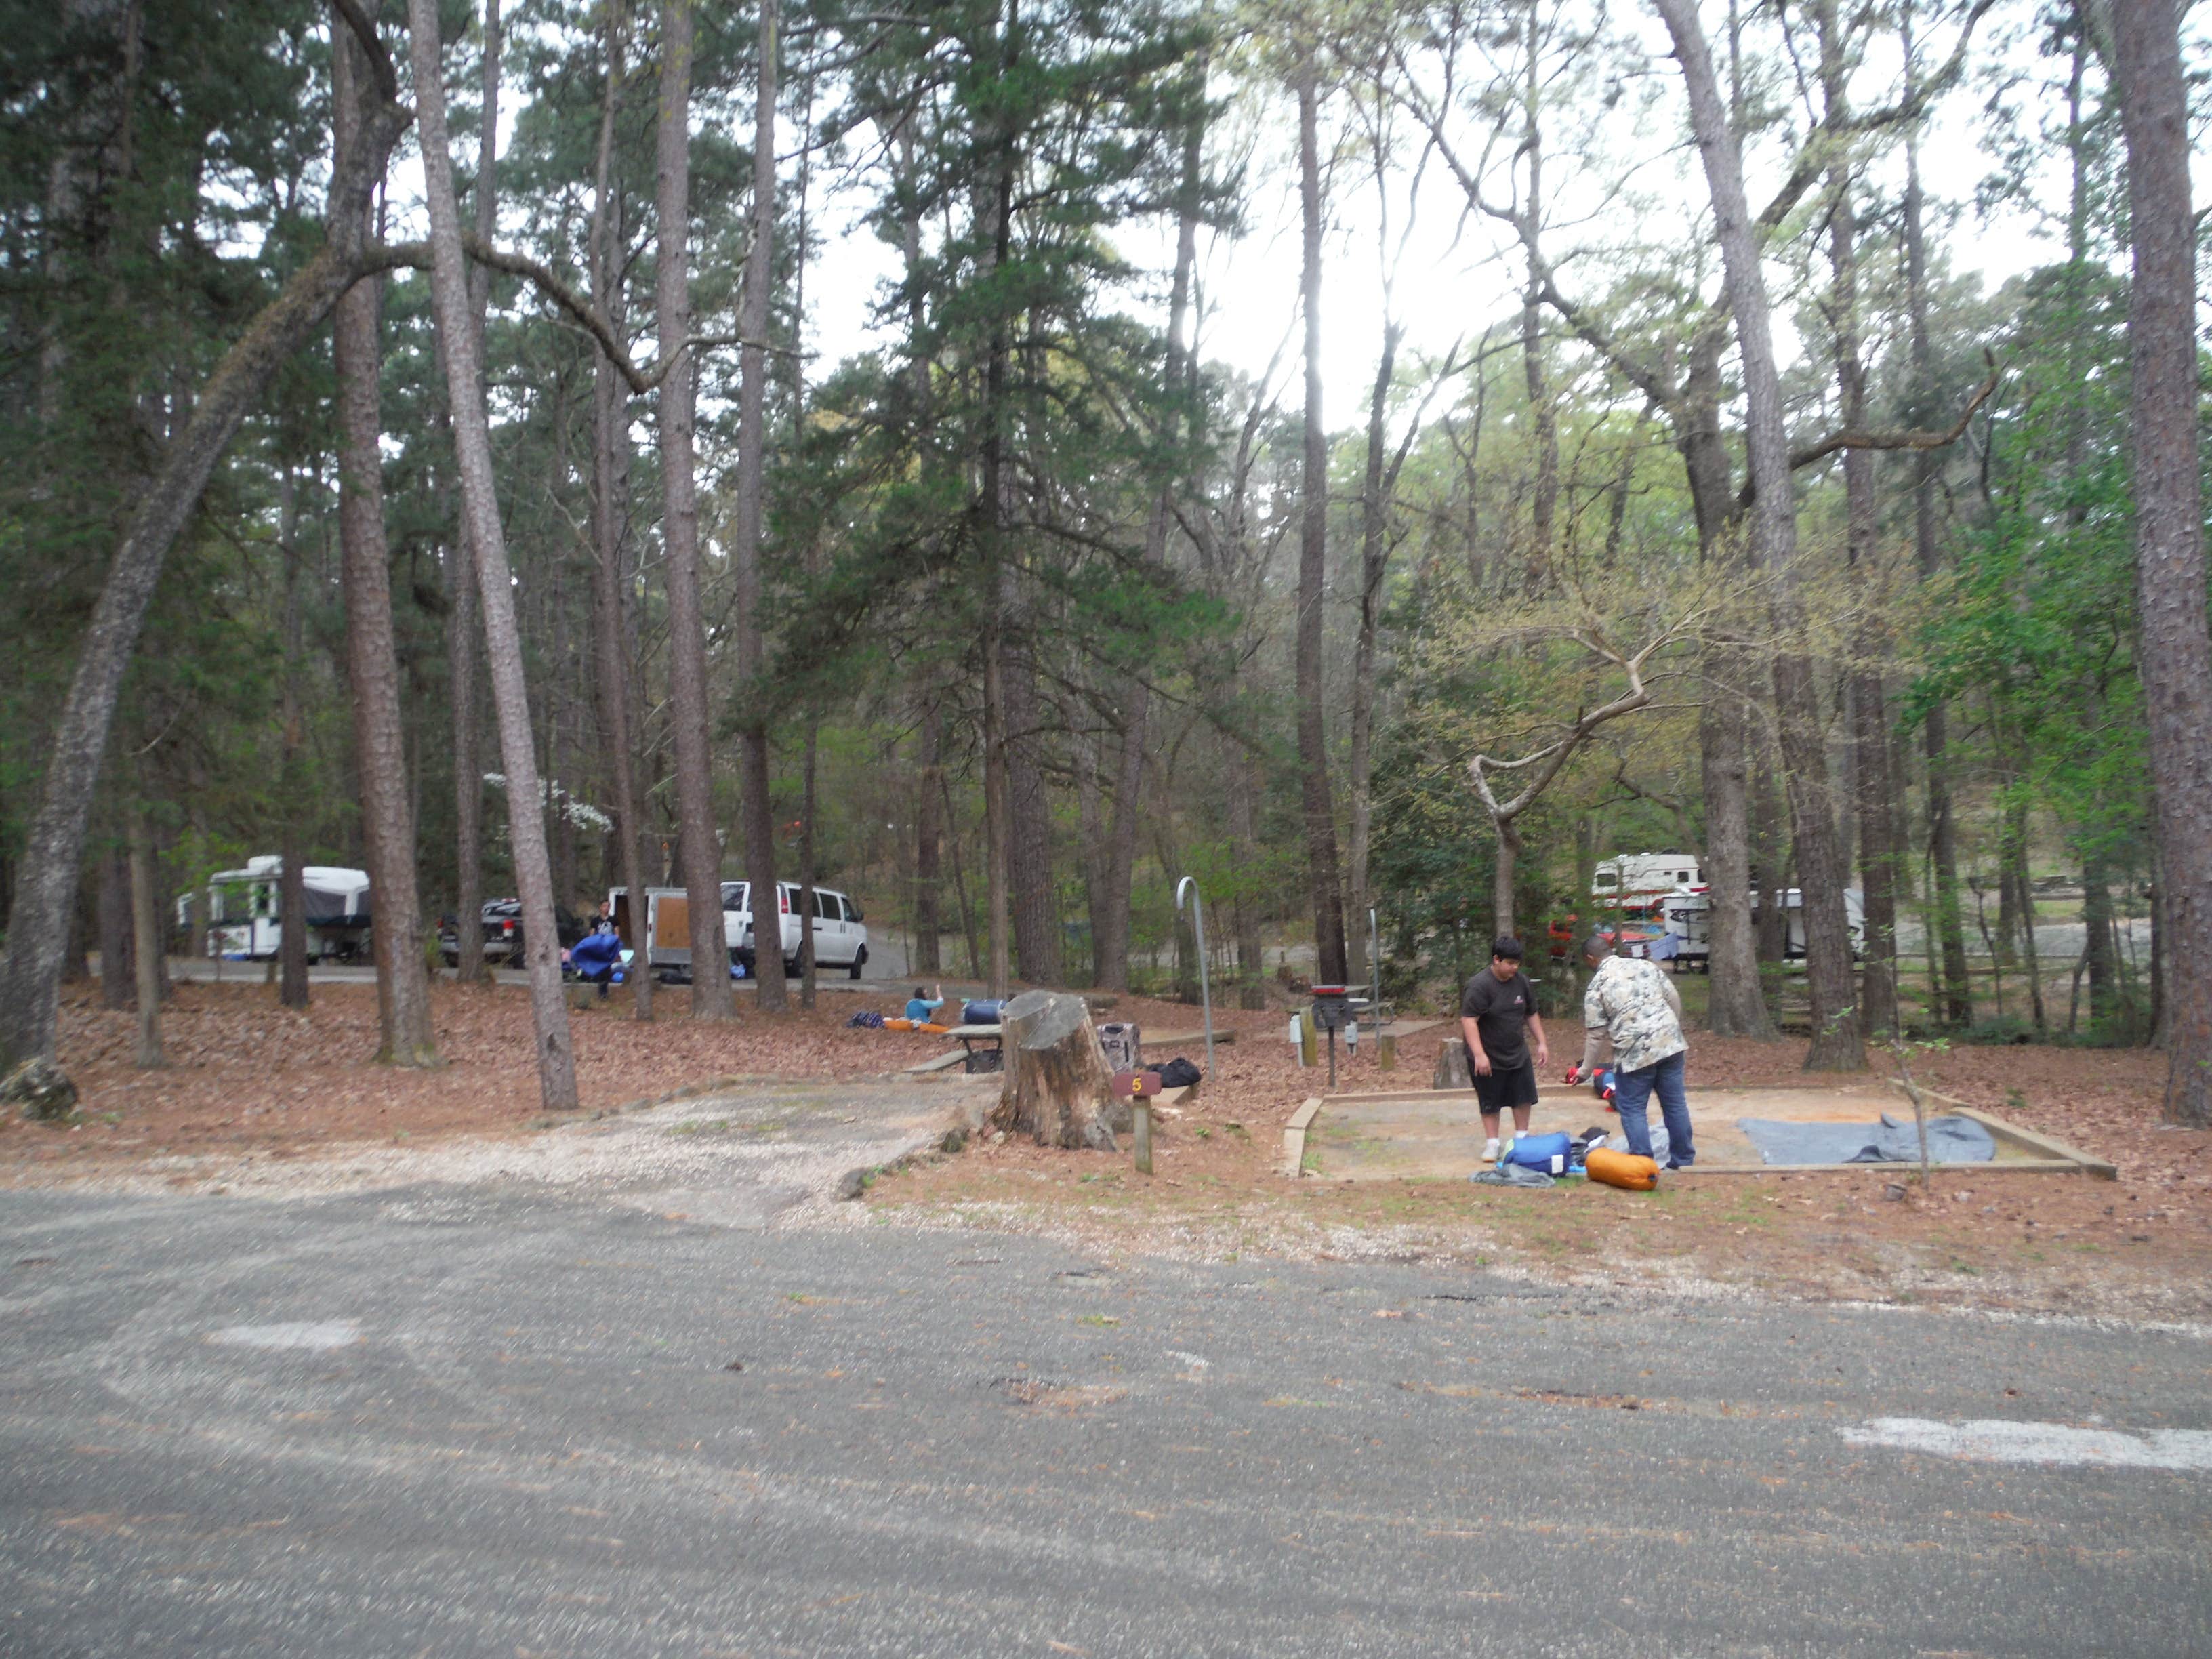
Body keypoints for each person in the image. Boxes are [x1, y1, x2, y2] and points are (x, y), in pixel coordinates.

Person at [1565, 932, 1694, 1168]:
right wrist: (1668, 1030)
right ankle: (1683, 1160)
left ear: (1590, 958)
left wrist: (1584, 1071)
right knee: (1675, 1104)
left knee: (1633, 1109)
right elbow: (1673, 997)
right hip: (1671, 1044)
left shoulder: (1597, 986)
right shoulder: (1645, 966)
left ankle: (1643, 1164)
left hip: (1635, 1053)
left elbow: (1596, 1035)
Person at [1459, 935, 1549, 1166]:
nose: (1514, 968)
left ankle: (1522, 1139)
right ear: (1496, 960)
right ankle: (1493, 1143)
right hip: (1487, 1054)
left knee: (1523, 1097)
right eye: (1510, 963)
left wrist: (1542, 1042)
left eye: (1517, 963)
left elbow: (1531, 1013)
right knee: (1491, 1100)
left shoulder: (1522, 982)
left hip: (1516, 1051)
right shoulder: (1480, 985)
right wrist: (1479, 1054)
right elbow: (1469, 1020)